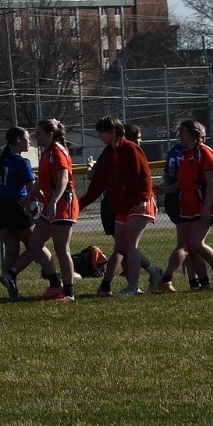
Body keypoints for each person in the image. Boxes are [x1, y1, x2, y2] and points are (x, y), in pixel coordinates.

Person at [81, 117, 161, 296]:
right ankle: (152, 273)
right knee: (121, 248)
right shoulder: (109, 152)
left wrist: (144, 199)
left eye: (103, 131)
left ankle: (133, 287)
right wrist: (82, 203)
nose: (100, 135)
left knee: (131, 245)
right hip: (123, 205)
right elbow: (99, 181)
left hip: (139, 203)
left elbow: (144, 176)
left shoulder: (131, 149)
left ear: (114, 132)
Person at [153, 120, 213, 293]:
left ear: (192, 133)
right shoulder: (184, 154)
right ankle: (205, 284)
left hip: (202, 203)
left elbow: (211, 183)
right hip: (186, 203)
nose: (179, 135)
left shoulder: (205, 153)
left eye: (182, 131)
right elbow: (181, 183)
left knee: (196, 243)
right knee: (190, 247)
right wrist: (163, 190)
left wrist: (205, 210)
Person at [7, 119, 78, 301]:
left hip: (63, 203)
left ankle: (68, 292)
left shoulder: (57, 150)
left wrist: (54, 200)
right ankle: (55, 284)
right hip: (50, 204)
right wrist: (30, 196)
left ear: (50, 134)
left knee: (62, 249)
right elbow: (41, 179)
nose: (34, 136)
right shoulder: (46, 153)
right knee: (35, 243)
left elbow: (63, 178)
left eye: (38, 133)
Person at [0, 127, 39, 299]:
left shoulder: (2, 160)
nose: (30, 141)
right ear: (18, 139)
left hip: (3, 207)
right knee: (36, 246)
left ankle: (12, 289)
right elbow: (31, 187)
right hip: (17, 206)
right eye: (27, 138)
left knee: (12, 250)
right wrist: (49, 200)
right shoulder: (20, 161)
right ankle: (10, 274)